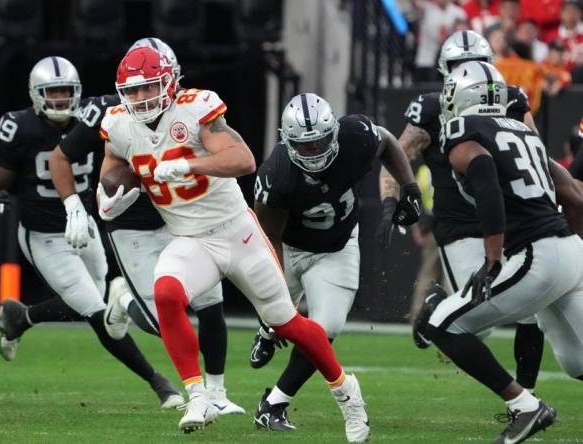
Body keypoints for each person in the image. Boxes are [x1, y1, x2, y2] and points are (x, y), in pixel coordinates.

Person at [97, 45, 370, 439]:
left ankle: (347, 392)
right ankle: (198, 396)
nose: (140, 99)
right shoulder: (119, 124)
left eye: (149, 88)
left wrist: (190, 163)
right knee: (167, 292)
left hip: (237, 231)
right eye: (133, 91)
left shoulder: (196, 109)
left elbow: (242, 160)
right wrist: (105, 202)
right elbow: (111, 164)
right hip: (190, 239)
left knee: (287, 323)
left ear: (171, 82)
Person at [48, 37, 244, 415]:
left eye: (157, 83)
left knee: (211, 303)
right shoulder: (113, 113)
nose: (149, 94)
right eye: (140, 86)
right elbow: (62, 157)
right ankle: (122, 297)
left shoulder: (190, 109)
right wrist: (74, 205)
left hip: (180, 218)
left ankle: (217, 394)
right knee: (162, 322)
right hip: (131, 222)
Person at [0, 56, 183, 409]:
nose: (60, 100)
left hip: (84, 224)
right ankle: (159, 383)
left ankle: (22, 317)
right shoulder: (19, 128)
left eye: (66, 92)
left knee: (98, 302)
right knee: (95, 309)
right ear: (35, 93)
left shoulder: (97, 113)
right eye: (52, 92)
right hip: (43, 235)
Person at [422, 60, 583, 443]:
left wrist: (492, 257)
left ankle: (525, 407)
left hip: (536, 255)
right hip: (571, 252)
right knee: (577, 360)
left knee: (443, 323)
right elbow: (573, 193)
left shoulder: (463, 130)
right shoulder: (523, 131)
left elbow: (483, 172)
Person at [248, 93, 420, 433]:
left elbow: (386, 141)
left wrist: (410, 188)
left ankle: (274, 404)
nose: (314, 152)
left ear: (334, 133)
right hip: (290, 249)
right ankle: (267, 330)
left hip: (336, 247)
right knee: (278, 311)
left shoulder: (354, 135)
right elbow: (269, 241)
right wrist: (277, 298)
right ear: (288, 142)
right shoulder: (277, 174)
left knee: (324, 329)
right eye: (304, 146)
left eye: (321, 142)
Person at [388, 30, 547, 393]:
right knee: (477, 321)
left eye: (474, 65)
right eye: (459, 66)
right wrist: (394, 198)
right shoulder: (430, 108)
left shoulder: (511, 100)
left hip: (506, 220)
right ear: (446, 70)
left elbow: (535, 151)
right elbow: (395, 155)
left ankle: (527, 393)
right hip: (459, 225)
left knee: (531, 309)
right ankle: (437, 305)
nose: (467, 73)